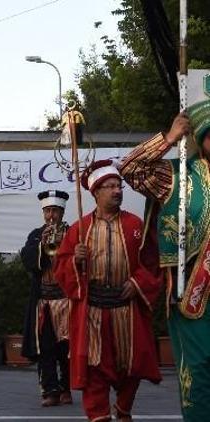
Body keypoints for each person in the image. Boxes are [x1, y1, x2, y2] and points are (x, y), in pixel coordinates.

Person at [118, 104, 210, 421]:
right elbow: (130, 169)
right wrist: (169, 138)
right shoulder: (176, 176)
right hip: (196, 294)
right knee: (198, 372)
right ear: (201, 137)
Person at [54, 160, 161, 422]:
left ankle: (123, 410)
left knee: (131, 367)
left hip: (127, 310)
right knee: (94, 369)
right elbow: (60, 270)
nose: (117, 191)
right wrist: (73, 261)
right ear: (96, 192)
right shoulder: (79, 229)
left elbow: (154, 263)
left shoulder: (136, 225)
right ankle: (99, 416)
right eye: (110, 186)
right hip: (93, 311)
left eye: (119, 186)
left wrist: (137, 283)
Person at [20, 190, 72, 407]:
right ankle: (50, 390)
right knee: (46, 349)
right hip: (44, 303)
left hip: (67, 301)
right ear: (43, 213)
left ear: (62, 212)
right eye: (48, 211)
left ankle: (66, 387)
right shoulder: (35, 235)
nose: (51, 215)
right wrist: (43, 245)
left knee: (67, 349)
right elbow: (28, 259)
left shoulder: (73, 232)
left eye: (55, 211)